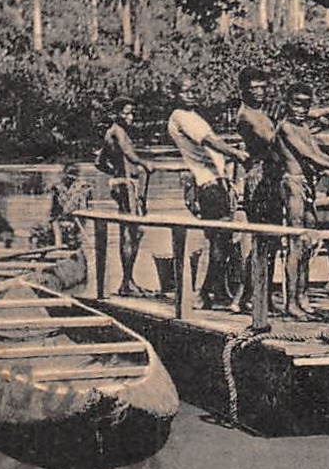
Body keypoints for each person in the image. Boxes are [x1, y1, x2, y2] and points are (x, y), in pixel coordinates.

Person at [275, 83, 329, 320]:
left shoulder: (304, 128)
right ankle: (291, 302)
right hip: (293, 184)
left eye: (305, 104)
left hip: (307, 186)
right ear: (287, 104)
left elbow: (320, 155)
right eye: (296, 103)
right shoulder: (287, 127)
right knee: (294, 243)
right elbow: (309, 157)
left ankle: (302, 296)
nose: (301, 109)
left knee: (308, 243)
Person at [167, 77, 248, 310]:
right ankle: (204, 292)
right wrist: (237, 154)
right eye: (185, 92)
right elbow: (210, 141)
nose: (191, 95)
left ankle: (217, 291)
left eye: (194, 91)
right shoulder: (182, 117)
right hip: (209, 184)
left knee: (222, 240)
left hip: (217, 182)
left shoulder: (193, 117)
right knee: (220, 240)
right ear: (175, 95)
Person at [233, 67, 282, 314]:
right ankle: (252, 296)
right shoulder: (246, 116)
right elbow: (272, 141)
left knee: (271, 241)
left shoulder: (261, 113)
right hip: (258, 177)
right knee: (262, 239)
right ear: (243, 91)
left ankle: (262, 294)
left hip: (271, 176)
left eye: (263, 87)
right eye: (254, 88)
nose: (260, 92)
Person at [100, 97, 155, 296]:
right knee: (133, 231)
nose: (130, 117)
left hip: (122, 183)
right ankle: (127, 282)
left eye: (131, 113)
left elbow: (100, 162)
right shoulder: (118, 131)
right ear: (115, 114)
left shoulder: (111, 133)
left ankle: (128, 280)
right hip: (126, 185)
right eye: (126, 113)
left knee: (132, 231)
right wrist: (143, 164)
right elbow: (129, 154)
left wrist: (115, 173)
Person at [38, 163, 91, 249]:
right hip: (60, 221)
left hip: (77, 221)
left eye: (73, 175)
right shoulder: (57, 188)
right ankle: (58, 245)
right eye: (68, 175)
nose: (70, 179)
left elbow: (84, 210)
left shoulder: (83, 188)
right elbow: (53, 214)